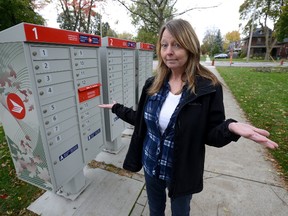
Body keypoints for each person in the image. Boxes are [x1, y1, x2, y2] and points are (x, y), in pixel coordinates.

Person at [99, 19, 278, 216]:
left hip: (182, 172)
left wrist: (230, 128)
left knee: (180, 212)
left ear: (190, 47)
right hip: (151, 165)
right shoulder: (152, 85)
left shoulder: (208, 87)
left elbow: (211, 135)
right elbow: (141, 120)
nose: (169, 52)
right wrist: (117, 108)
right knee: (155, 211)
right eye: (164, 45)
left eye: (177, 44)